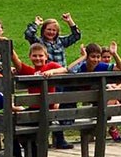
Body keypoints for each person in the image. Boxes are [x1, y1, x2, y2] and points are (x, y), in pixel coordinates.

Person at [24, 12, 81, 148]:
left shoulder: (60, 41)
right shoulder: (40, 42)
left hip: (60, 77)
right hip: (47, 80)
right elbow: (28, 35)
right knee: (50, 107)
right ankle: (49, 138)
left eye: (54, 30)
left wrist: (70, 21)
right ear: (43, 30)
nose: (51, 32)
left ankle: (59, 137)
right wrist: (35, 24)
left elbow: (76, 36)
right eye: (48, 29)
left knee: (58, 107)